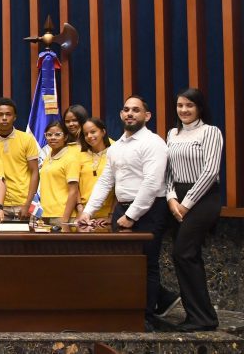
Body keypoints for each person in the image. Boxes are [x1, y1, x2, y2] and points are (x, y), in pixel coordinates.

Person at [77, 95, 178, 331]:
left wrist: (132, 216)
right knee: (123, 264)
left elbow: (152, 184)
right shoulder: (117, 147)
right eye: (126, 110)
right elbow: (106, 181)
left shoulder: (153, 143)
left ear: (147, 115)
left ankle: (145, 318)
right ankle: (125, 311)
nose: (130, 114)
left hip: (150, 209)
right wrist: (88, 212)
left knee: (146, 264)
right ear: (121, 115)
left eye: (136, 110)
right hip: (123, 207)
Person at [164, 88, 224, 332]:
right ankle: (197, 316)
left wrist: (186, 203)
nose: (184, 110)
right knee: (184, 256)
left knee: (184, 253)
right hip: (176, 197)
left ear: (199, 108)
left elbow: (210, 171)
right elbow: (167, 171)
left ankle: (203, 318)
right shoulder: (172, 133)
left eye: (189, 105)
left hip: (203, 198)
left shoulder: (210, 132)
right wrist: (170, 198)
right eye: (180, 105)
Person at [0, 98, 41, 220]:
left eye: (8, 114)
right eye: (0, 114)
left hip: (22, 203)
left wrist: (28, 203)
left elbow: (34, 172)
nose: (4, 118)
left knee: (25, 239)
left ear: (15, 117)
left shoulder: (26, 139)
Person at [37, 121, 83, 226]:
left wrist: (64, 220)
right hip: (46, 214)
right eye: (49, 135)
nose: (53, 137)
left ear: (66, 137)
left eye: (58, 134)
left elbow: (73, 191)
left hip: (63, 215)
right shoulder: (48, 156)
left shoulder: (70, 158)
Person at [77, 118, 114, 225]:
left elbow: (119, 186)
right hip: (84, 214)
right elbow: (75, 185)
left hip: (107, 216)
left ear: (103, 132)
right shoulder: (80, 154)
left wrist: (111, 215)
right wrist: (80, 210)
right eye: (86, 134)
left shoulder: (114, 151)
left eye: (93, 132)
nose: (89, 136)